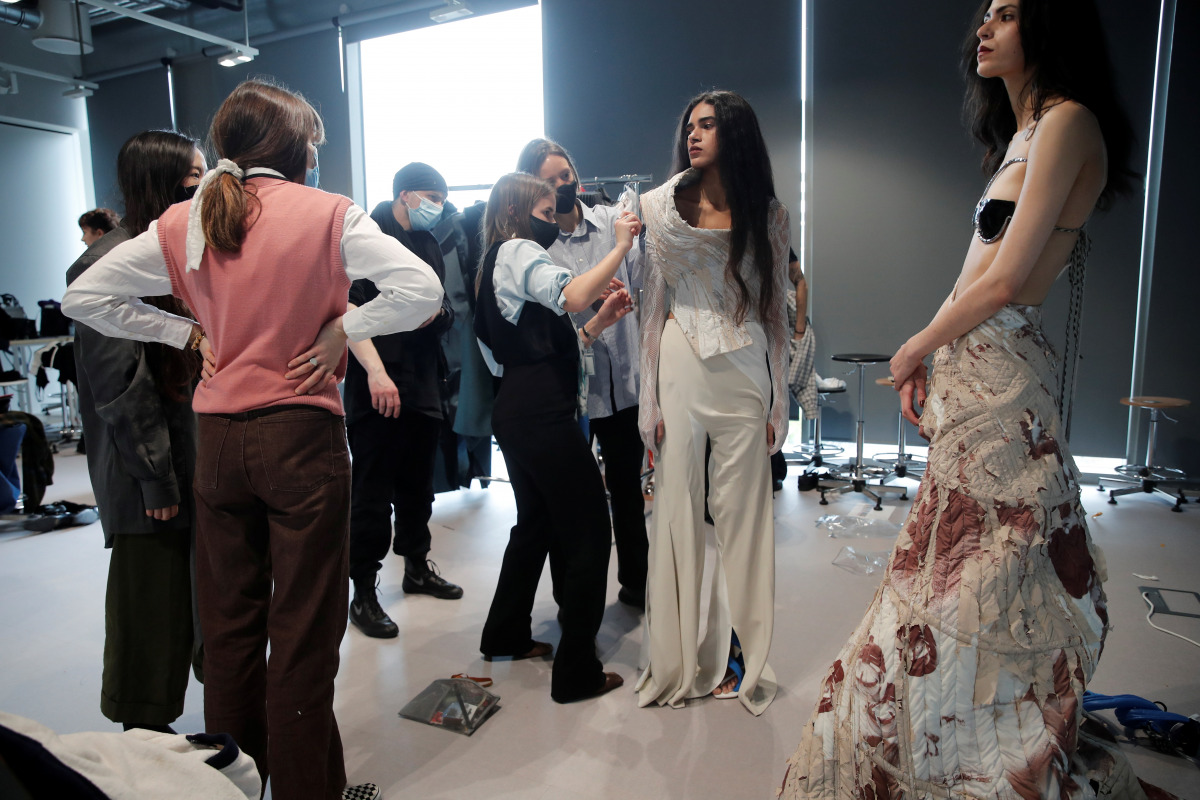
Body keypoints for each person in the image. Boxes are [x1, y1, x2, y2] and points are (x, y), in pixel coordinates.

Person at [780, 1, 1145, 796]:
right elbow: (974, 274)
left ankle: (976, 737)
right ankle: (947, 727)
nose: (983, 27)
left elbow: (1010, 280)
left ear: (1047, 27)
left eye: (1006, 14)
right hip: (976, 368)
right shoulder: (1021, 135)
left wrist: (915, 346)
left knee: (991, 556)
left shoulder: (1069, 122)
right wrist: (932, 353)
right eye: (984, 13)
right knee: (956, 558)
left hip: (1007, 370)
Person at [63, 79, 442, 800]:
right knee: (301, 633)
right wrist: (345, 328)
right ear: (297, 146)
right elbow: (421, 291)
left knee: (230, 634)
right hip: (300, 435)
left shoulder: (186, 219)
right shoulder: (329, 214)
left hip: (217, 443)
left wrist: (184, 331)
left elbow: (83, 296)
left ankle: (233, 788)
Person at [635, 90, 791, 716]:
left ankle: (742, 660)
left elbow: (777, 314)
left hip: (747, 370)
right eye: (690, 125)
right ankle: (674, 663)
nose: (694, 135)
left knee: (745, 521)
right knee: (674, 511)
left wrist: (781, 401)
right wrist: (647, 399)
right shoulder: (655, 207)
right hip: (678, 363)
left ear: (736, 133)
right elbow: (651, 311)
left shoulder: (770, 215)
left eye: (708, 125)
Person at [475, 172, 638, 703]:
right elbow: (569, 297)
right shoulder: (518, 249)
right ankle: (576, 672)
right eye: (546, 212)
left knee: (537, 525)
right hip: (542, 417)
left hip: (519, 411)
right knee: (590, 532)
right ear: (521, 213)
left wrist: (600, 322)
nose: (554, 219)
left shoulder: (495, 262)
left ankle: (504, 633)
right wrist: (618, 247)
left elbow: (550, 340)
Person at [66, 130, 206, 734]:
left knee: (194, 606)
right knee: (150, 614)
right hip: (147, 473)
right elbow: (121, 388)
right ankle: (146, 753)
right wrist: (155, 480)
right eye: (196, 176)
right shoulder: (109, 265)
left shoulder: (166, 253)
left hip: (185, 462)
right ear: (165, 181)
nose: (207, 188)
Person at [516, 138, 649, 610]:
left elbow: (645, 287)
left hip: (625, 383)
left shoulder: (613, 225)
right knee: (570, 506)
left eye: (565, 174)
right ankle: (570, 597)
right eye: (549, 181)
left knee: (629, 493)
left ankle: (637, 584)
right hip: (572, 392)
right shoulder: (535, 247)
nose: (562, 185)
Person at [347, 162, 462, 640]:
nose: (437, 205)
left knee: (419, 485)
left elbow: (444, 310)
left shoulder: (430, 243)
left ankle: (416, 566)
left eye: (442, 196)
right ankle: (364, 592)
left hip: (422, 381)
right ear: (404, 195)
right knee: (372, 492)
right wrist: (376, 371)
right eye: (430, 196)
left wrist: (430, 318)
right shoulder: (366, 239)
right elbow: (348, 311)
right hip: (377, 382)